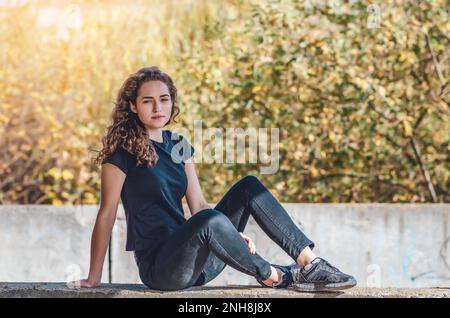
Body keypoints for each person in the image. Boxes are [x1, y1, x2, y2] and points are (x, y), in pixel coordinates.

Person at [69, 66, 357, 291]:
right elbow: (106, 214)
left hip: (199, 262)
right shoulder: (122, 154)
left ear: (172, 103)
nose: (158, 108)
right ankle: (275, 276)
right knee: (210, 222)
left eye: (164, 99)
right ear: (133, 106)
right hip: (162, 268)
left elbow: (199, 205)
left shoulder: (179, 146)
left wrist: (228, 233)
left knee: (248, 188)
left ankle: (309, 263)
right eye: (148, 101)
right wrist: (94, 277)